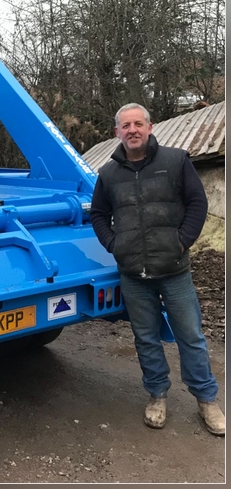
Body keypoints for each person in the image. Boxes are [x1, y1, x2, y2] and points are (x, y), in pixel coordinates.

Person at [89, 102, 225, 436]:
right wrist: (114, 245)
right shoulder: (108, 174)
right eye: (126, 126)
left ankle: (207, 400)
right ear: (117, 133)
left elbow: (198, 203)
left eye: (138, 123)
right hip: (134, 275)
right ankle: (157, 396)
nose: (132, 130)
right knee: (146, 339)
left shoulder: (176, 161)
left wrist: (182, 242)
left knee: (190, 338)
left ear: (150, 127)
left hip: (174, 270)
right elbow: (97, 214)